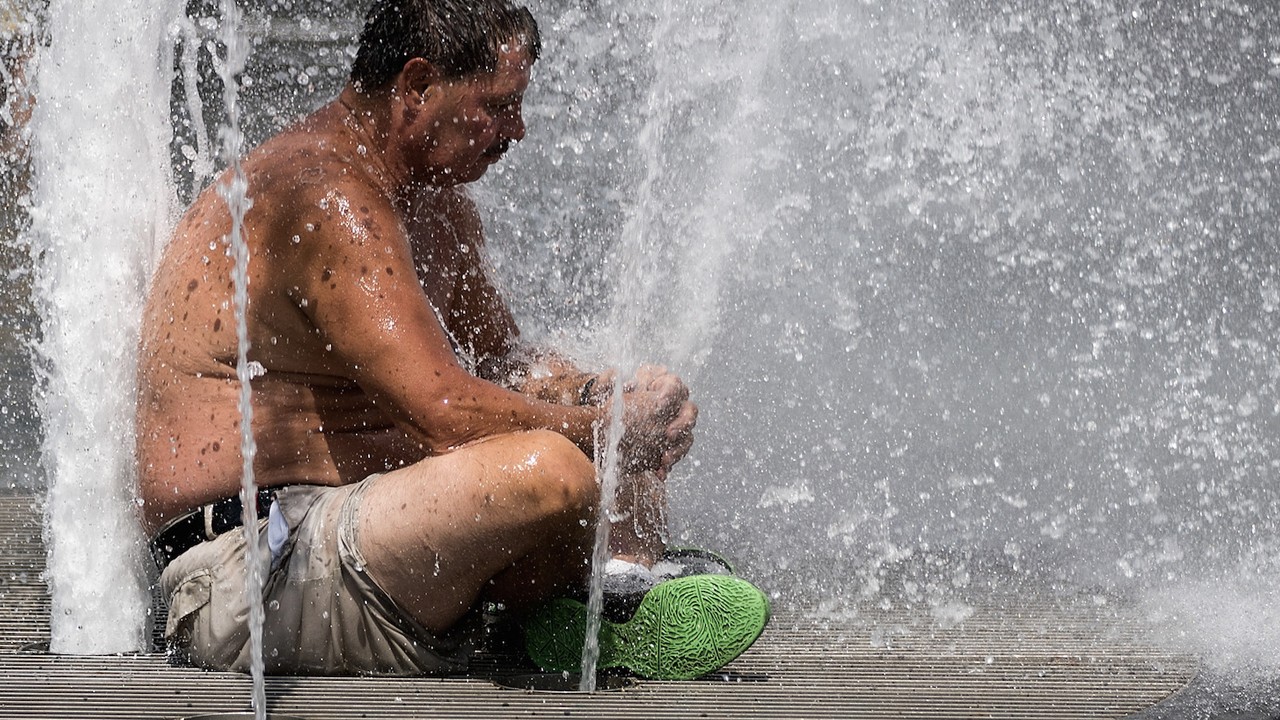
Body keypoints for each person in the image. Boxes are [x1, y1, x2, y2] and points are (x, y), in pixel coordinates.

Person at [137, 0, 768, 679]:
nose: (517, 130)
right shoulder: (325, 198)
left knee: (611, 441)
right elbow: (446, 414)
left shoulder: (433, 207)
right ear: (416, 87)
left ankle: (612, 590)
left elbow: (500, 363)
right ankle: (595, 603)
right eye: (497, 107)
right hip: (250, 569)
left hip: (364, 535)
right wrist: (605, 431)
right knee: (556, 470)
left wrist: (597, 393)